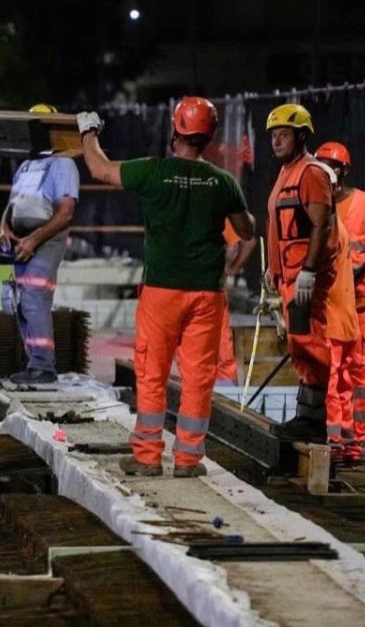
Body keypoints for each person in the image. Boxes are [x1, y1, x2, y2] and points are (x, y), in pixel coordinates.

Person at [77, 96, 255, 478]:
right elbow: (247, 231)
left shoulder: (153, 172)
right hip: (206, 293)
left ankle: (147, 457)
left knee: (152, 373)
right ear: (209, 137)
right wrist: (234, 253)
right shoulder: (223, 183)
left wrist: (88, 132)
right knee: (198, 376)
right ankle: (188, 460)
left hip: (161, 291)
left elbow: (99, 169)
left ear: (176, 131)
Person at [263, 105, 359, 457]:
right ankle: (307, 416)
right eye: (274, 136)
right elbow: (280, 228)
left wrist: (309, 270)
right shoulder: (286, 172)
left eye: (284, 135)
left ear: (301, 136)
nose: (277, 141)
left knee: (312, 347)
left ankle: (314, 421)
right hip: (288, 278)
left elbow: (321, 225)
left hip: (305, 279)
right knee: (300, 347)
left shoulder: (311, 173)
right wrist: (273, 270)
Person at [316, 141, 365, 448]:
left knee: (361, 367)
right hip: (332, 302)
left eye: (331, 168)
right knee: (334, 369)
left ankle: (361, 435)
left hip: (360, 300)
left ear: (343, 171)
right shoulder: (319, 205)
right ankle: (338, 433)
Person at [0, 103, 79, 385]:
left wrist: (33, 240)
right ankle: (34, 365)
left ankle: (43, 367)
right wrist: (4, 228)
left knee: (34, 299)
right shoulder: (26, 166)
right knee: (21, 302)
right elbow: (13, 204)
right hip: (22, 241)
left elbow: (65, 212)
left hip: (45, 240)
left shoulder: (63, 164)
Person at [216, 225, 257, 387]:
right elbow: (247, 241)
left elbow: (247, 241)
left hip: (208, 292)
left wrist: (230, 268)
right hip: (212, 292)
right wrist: (231, 268)